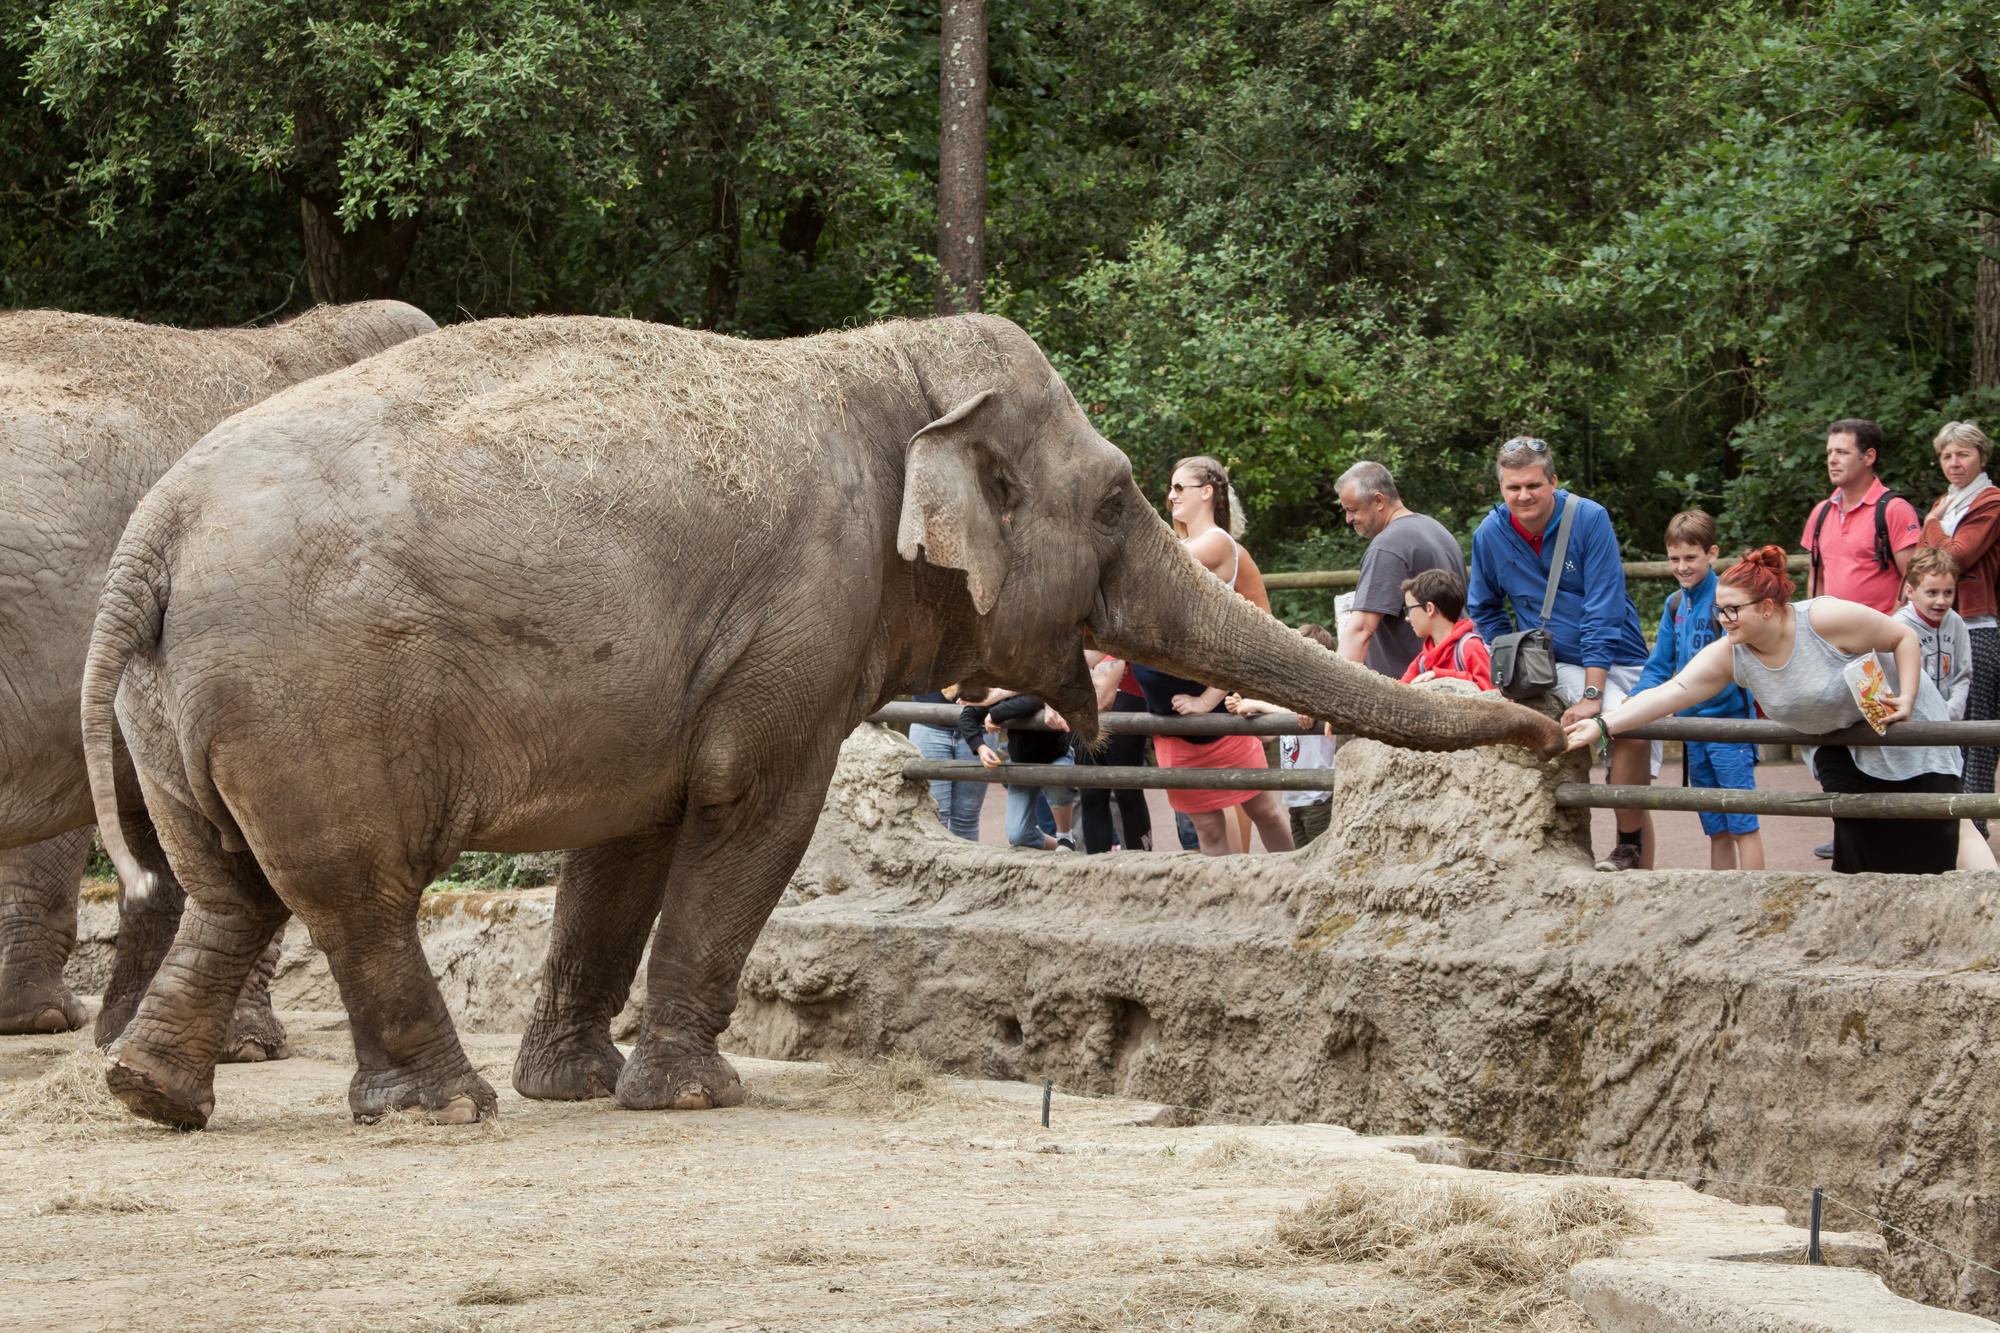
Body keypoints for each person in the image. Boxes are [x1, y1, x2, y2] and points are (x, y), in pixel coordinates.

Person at [1564, 546, 1965, 875]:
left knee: (1932, 833)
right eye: (1719, 610)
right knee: (1858, 838)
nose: (1723, 621)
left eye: (1733, 610)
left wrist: (1907, 697)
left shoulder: (1824, 618)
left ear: (1768, 607)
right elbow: (1674, 691)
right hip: (1840, 741)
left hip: (1901, 723)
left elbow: (1902, 637)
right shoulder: (1731, 652)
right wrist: (1603, 724)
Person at [1467, 435, 1654, 872]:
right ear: (1501, 487)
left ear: (1553, 481)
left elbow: (1603, 606)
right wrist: (1512, 657)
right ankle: (1629, 847)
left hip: (1619, 654)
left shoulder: (1588, 519)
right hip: (1556, 660)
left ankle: (1636, 862)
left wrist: (1592, 691)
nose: (1523, 495)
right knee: (1629, 728)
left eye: (1533, 485)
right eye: (1513, 487)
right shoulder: (1489, 534)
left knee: (1633, 752)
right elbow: (1484, 607)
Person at [1635, 510, 1764, 871]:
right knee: (1716, 829)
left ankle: (1754, 896)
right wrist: (1636, 702)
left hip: (1729, 729)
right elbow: (1659, 664)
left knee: (1743, 825)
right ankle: (1720, 894)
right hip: (1693, 731)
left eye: (1690, 557)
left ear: (1712, 553)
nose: (1682, 567)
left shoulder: (1728, 600)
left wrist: (1689, 696)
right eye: (1674, 558)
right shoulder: (1675, 603)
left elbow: (1742, 664)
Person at [1920, 421, 2000, 836]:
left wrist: (1931, 523)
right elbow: (1923, 563)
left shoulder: (1990, 502)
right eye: (1947, 455)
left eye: (1963, 454)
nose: (1954, 463)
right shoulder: (1946, 503)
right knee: (1939, 724)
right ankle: (1944, 827)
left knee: (1977, 729)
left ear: (1981, 458)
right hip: (1937, 625)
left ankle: (1975, 827)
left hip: (1980, 623)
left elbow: (1954, 558)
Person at [1335, 461, 1466, 679]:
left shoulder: (1387, 546)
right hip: (1452, 674)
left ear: (1379, 500)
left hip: (1408, 686)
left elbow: (1362, 629)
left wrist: (1334, 686)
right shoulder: (1437, 530)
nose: (1348, 519)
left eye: (1352, 510)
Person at [1226, 624, 1339, 848]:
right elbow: (1268, 737)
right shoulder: (1290, 699)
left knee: (1318, 853)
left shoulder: (1320, 697)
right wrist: (1245, 711)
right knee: (1301, 856)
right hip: (1296, 799)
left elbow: (1301, 713)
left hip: (1318, 798)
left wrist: (1258, 704)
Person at [1802, 418, 1921, 611]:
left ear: (1869, 457)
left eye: (1842, 452)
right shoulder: (1821, 512)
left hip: (1883, 628)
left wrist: (1892, 626)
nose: (1832, 459)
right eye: (1830, 452)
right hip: (1831, 628)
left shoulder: (1894, 509)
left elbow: (1914, 581)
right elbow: (1816, 580)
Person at [957, 693, 1078, 850]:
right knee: (1017, 835)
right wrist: (980, 747)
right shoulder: (994, 690)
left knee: (1057, 779)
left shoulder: (1023, 687)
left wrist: (994, 714)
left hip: (1055, 757)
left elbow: (1033, 699)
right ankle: (1062, 847)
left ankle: (1065, 838)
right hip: (1021, 763)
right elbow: (967, 716)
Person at [1074, 652, 1154, 853]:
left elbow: (1104, 697)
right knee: (1090, 792)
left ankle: (1141, 859)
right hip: (1083, 703)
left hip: (1124, 698)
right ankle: (1096, 861)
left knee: (1127, 791)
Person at [908, 686, 983, 840]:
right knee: (933, 814)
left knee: (967, 815)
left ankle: (966, 857)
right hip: (928, 721)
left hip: (979, 723)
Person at [1397, 568, 1492, 690]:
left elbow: (1489, 692)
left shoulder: (1470, 647)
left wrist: (1442, 676)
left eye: (1409, 609)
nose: (1407, 618)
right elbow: (1400, 690)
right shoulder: (1422, 660)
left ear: (1429, 608)